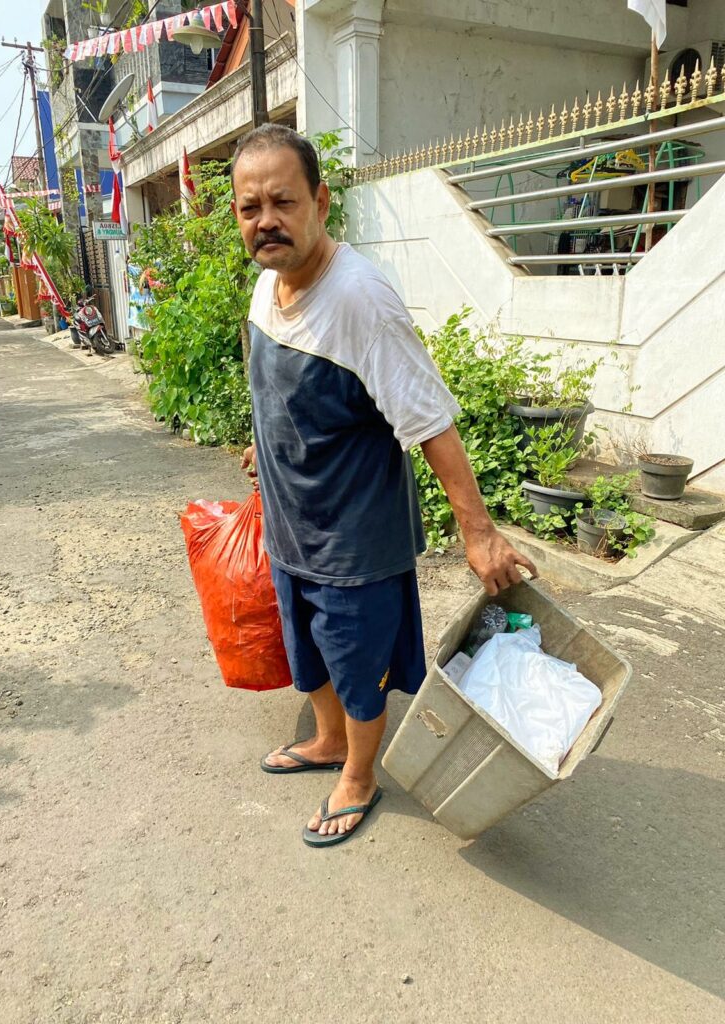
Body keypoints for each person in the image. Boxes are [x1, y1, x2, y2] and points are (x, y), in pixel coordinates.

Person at [231, 124, 537, 848]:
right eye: (250, 207)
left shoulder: (362, 299)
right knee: (308, 650)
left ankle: (360, 775)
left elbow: (430, 420)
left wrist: (480, 532)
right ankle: (329, 740)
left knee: (356, 659)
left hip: (355, 537)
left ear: (321, 202)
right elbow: (284, 381)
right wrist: (266, 436)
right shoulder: (268, 279)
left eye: (283, 200)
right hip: (292, 519)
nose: (266, 220)